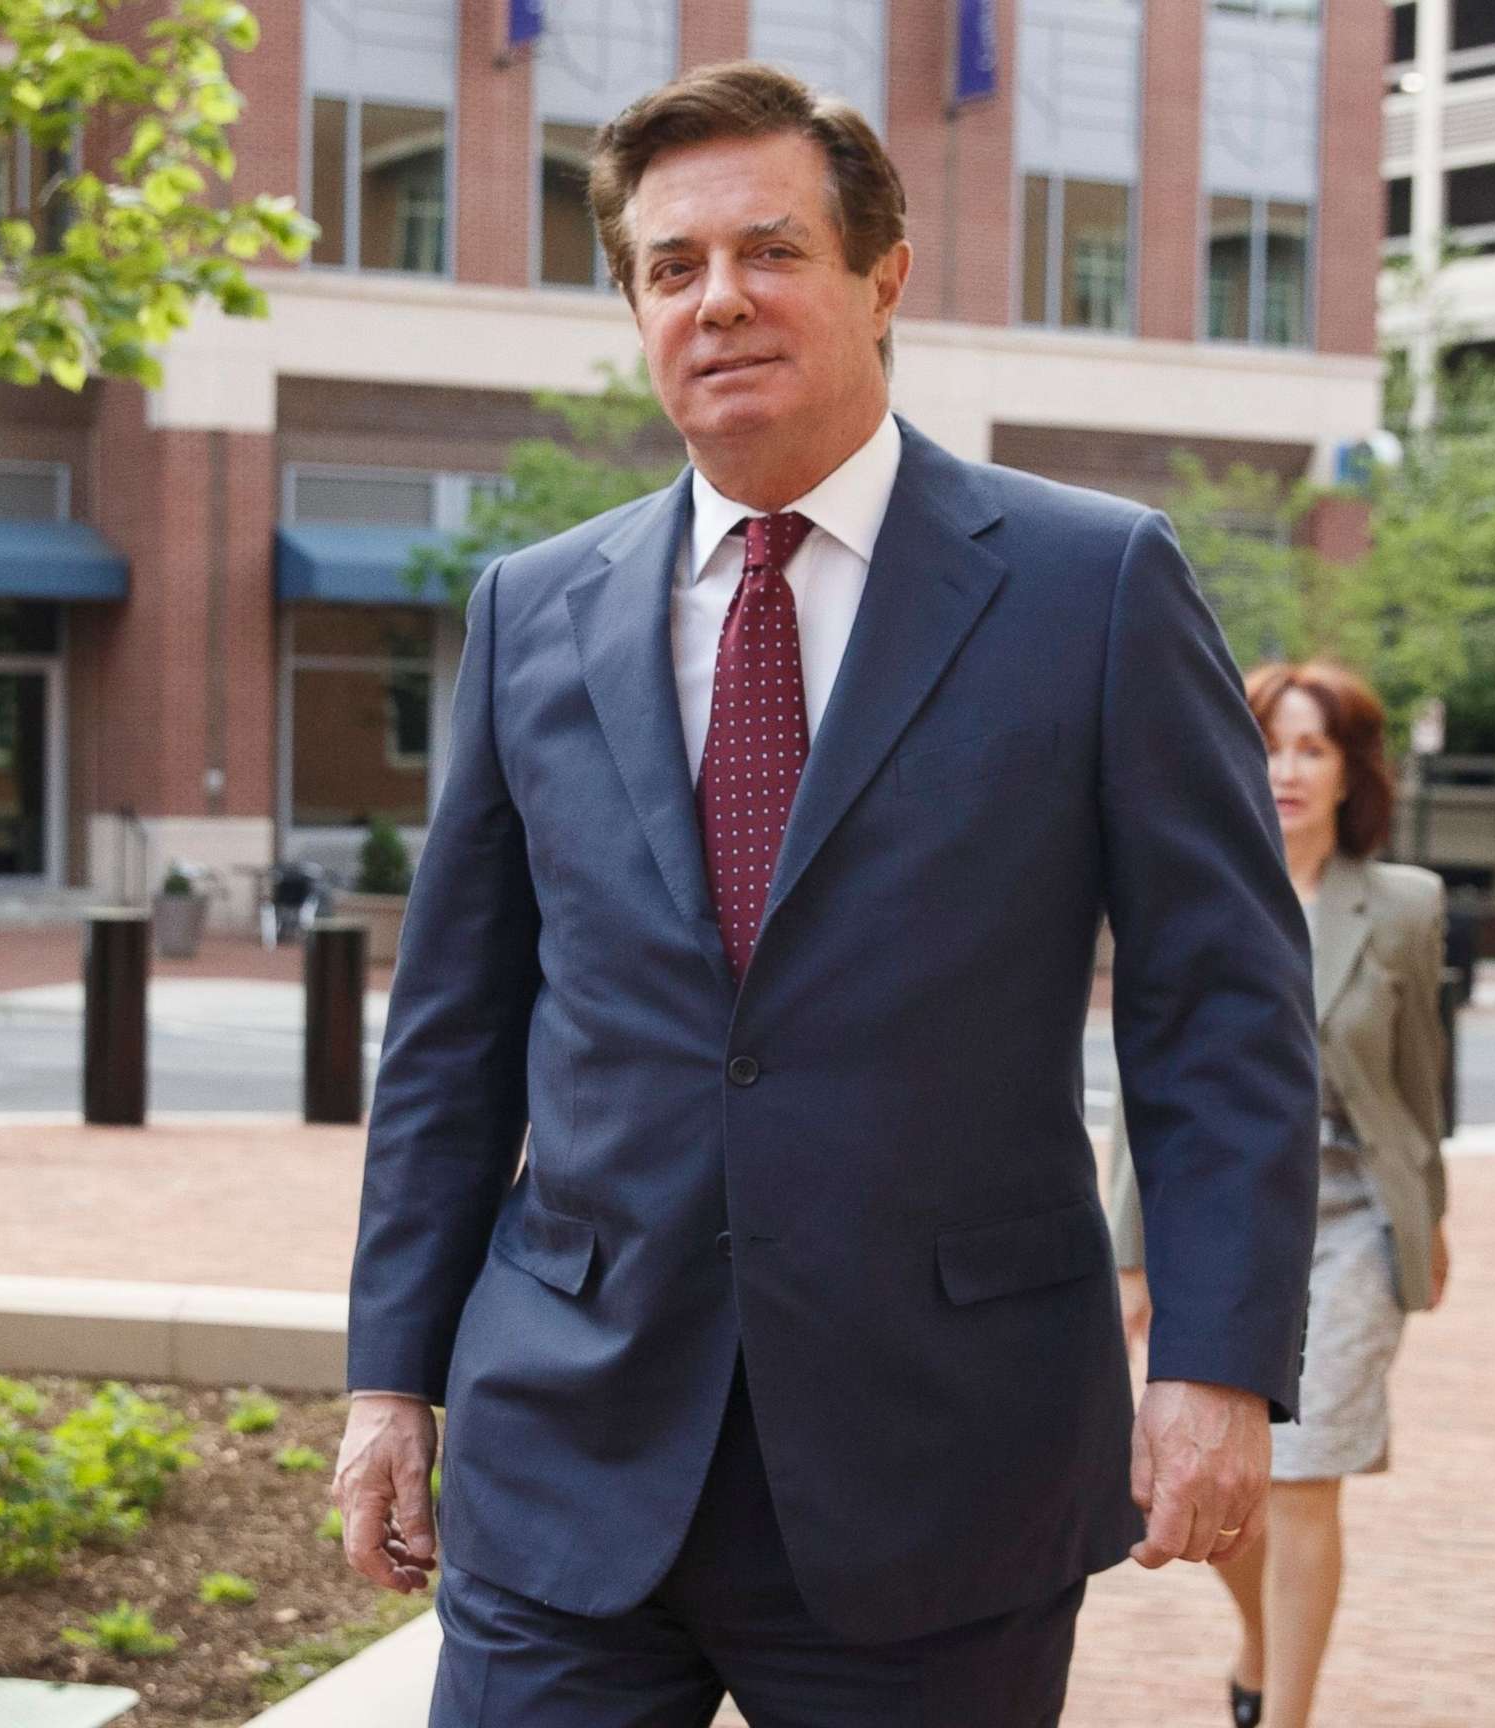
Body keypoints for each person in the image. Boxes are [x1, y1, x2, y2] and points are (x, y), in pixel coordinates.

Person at [329, 62, 1320, 1727]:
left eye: (768, 251)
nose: (718, 299)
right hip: (570, 1447)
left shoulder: (1093, 586)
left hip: (939, 1466)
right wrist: (387, 1373)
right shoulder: (529, 611)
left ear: (884, 275)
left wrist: (1217, 1363)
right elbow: (451, 1034)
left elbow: (1220, 1008)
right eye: (670, 267)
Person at [1106, 659, 1450, 1728]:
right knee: (1193, 1485)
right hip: (1214, 1218)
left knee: (1301, 1476)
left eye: (1313, 747)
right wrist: (1131, 1250)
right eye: (1267, 744)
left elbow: (1420, 1082)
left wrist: (1430, 1219)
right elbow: (1146, 1083)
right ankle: (1261, 1644)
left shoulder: (1404, 908)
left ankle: (1284, 1714)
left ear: (1351, 772)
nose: (1287, 770)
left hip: (1349, 1218)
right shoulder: (1185, 890)